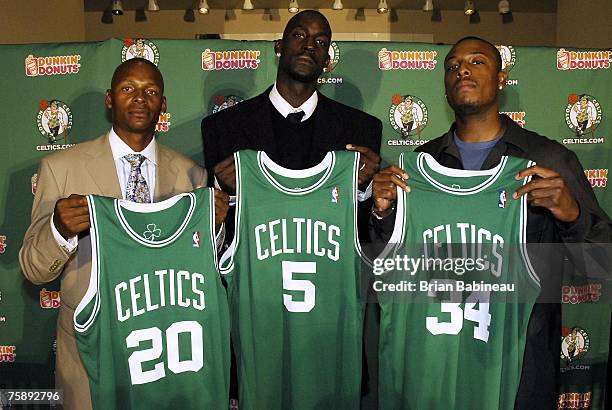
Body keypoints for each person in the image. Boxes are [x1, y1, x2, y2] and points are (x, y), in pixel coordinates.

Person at [371, 36, 611, 408]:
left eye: (477, 62)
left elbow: (602, 265)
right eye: (452, 66)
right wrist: (383, 213)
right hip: (433, 367)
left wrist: (572, 215)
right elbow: (392, 266)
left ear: (502, 78)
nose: (462, 70)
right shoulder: (418, 165)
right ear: (445, 87)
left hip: (517, 374)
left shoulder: (548, 159)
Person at [19, 58, 228, 410]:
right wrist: (59, 230)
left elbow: (204, 263)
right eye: (127, 88)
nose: (139, 98)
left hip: (163, 352)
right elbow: (32, 269)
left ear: (163, 105)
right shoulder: (61, 168)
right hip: (88, 354)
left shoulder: (191, 174)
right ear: (109, 99)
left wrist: (217, 227)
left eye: (151, 91)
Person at [201, 9, 381, 212]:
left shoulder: (362, 129)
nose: (310, 45)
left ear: (327, 62)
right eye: (299, 35)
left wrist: (364, 190)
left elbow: (365, 231)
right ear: (279, 47)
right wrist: (226, 191)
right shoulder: (224, 127)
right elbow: (210, 224)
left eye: (321, 42)